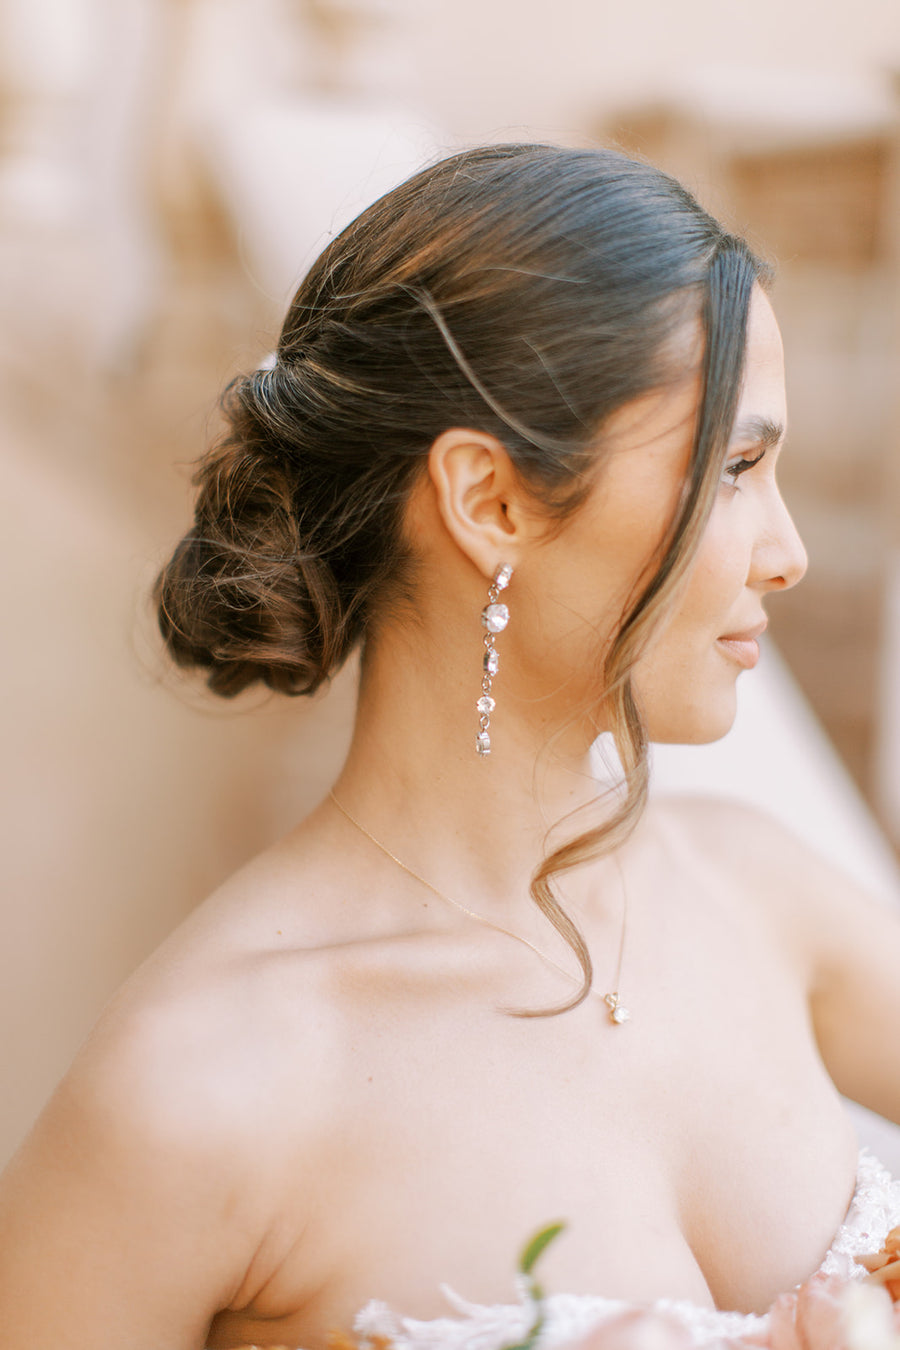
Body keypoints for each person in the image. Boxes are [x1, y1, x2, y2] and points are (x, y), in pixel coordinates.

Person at [1, 142, 900, 1350]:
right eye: (733, 469)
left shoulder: (764, 897)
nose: (787, 552)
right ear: (491, 502)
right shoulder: (196, 1091)